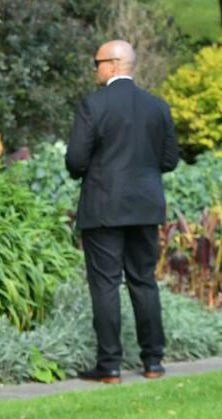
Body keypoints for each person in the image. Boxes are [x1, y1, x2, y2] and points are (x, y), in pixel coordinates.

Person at [65, 40, 179, 384]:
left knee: (105, 285)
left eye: (97, 61)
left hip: (103, 207)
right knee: (144, 282)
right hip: (145, 208)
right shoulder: (157, 106)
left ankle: (110, 366)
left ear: (114, 64)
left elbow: (75, 161)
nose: (95, 68)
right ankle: (153, 362)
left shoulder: (94, 105)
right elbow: (170, 159)